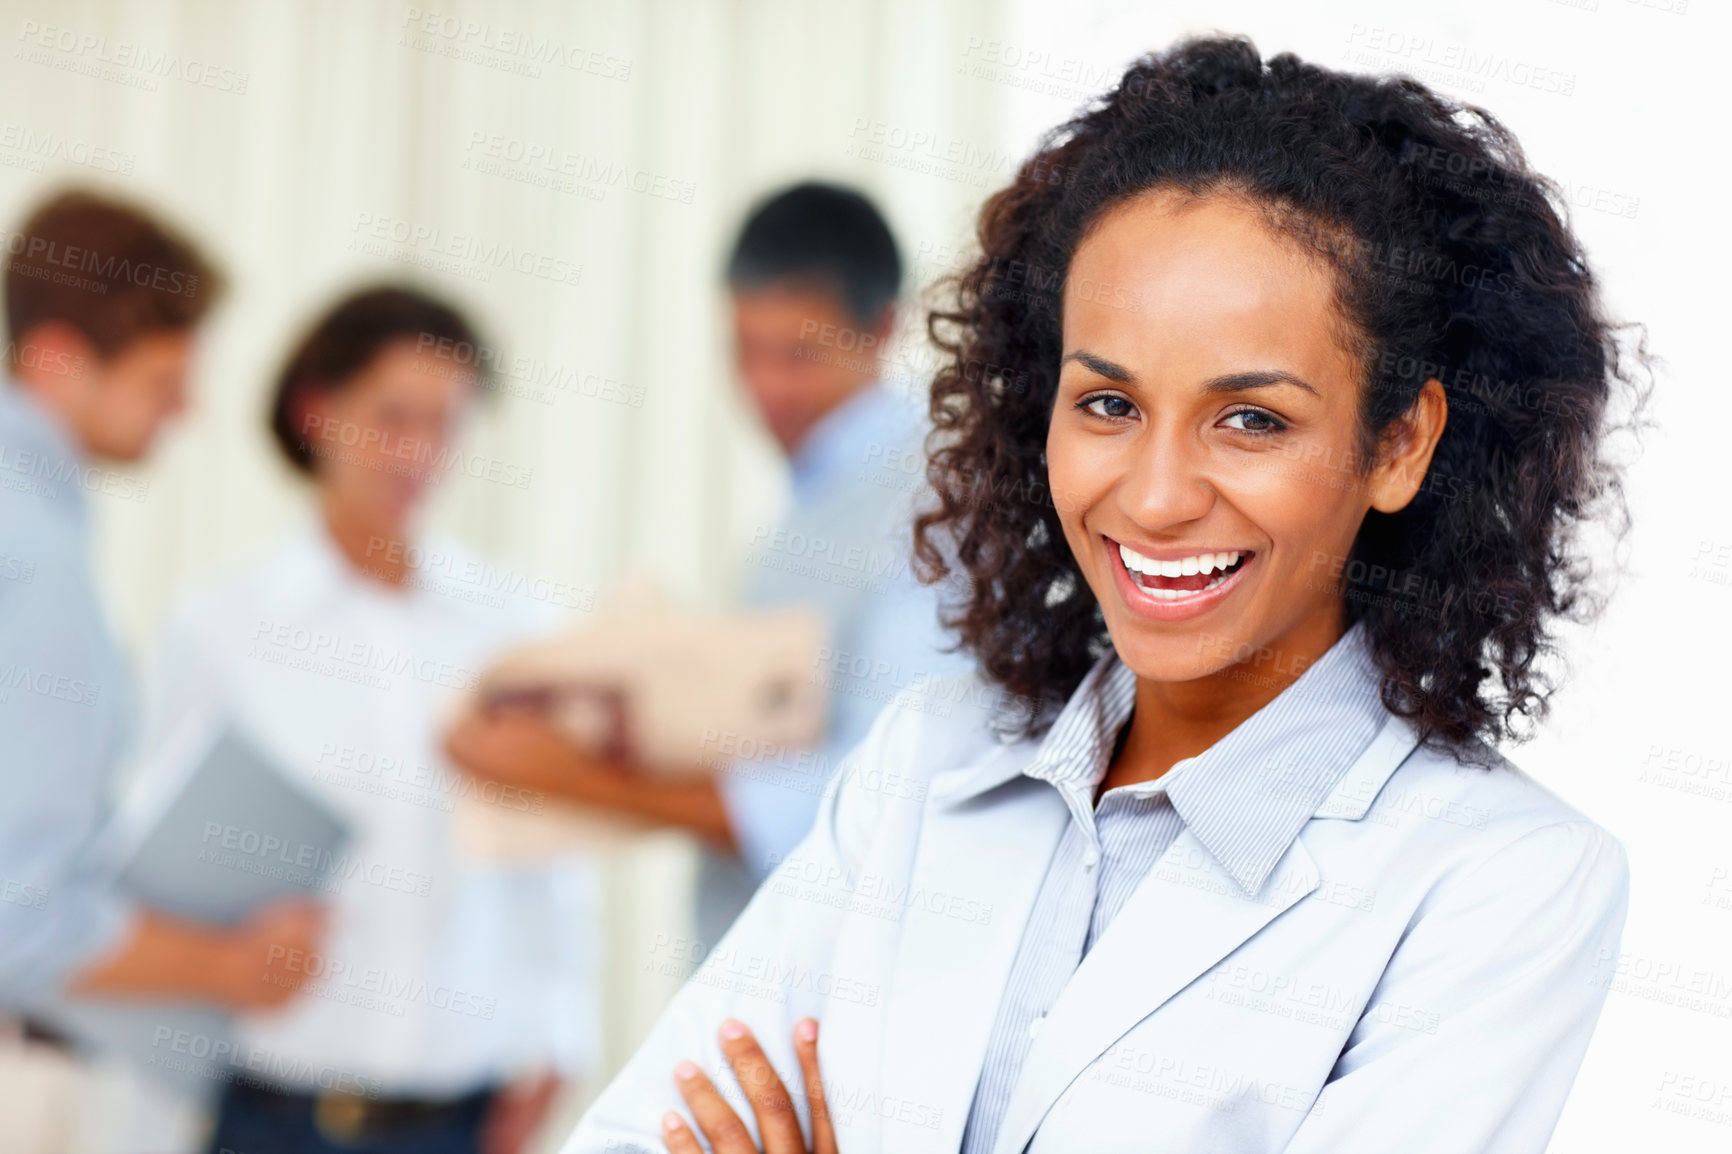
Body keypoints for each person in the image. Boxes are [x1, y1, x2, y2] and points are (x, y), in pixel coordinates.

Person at [558, 36, 1641, 1154]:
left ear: (1398, 443)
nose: (1157, 495)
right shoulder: (920, 763)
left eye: (1251, 418)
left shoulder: (1504, 885)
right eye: (1108, 405)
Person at [130, 286, 600, 1152]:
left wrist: (560, 1043)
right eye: (392, 416)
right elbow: (163, 882)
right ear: (317, 412)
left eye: (446, 422)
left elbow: (550, 863)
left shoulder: (516, 631)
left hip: (461, 1120)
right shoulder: (222, 627)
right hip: (270, 1116)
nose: (419, 450)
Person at [445, 183, 974, 947]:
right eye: (746, 351)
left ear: (883, 328)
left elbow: (875, 796)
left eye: (799, 354)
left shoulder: (933, 501)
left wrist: (575, 778)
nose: (767, 389)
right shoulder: (814, 499)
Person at [0, 190, 323, 1024]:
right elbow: (15, 924)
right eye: (163, 381)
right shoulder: (32, 553)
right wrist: (230, 963)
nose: (187, 412)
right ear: (58, 361)